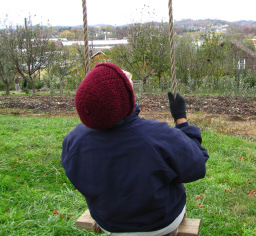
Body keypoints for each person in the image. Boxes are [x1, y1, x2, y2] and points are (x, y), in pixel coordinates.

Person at [61, 62, 209, 235]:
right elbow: (196, 164)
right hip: (159, 223)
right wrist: (181, 119)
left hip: (109, 222)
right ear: (125, 100)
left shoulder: (75, 139)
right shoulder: (155, 135)